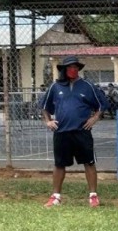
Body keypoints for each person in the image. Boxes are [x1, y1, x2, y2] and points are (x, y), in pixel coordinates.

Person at [39, 56, 108, 208]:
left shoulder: (87, 86)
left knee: (89, 162)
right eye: (70, 67)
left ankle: (93, 196)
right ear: (64, 69)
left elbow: (102, 104)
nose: (74, 70)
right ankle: (56, 196)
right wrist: (48, 121)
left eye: (76, 67)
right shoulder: (55, 87)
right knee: (59, 164)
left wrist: (94, 118)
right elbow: (44, 105)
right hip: (61, 132)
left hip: (82, 131)